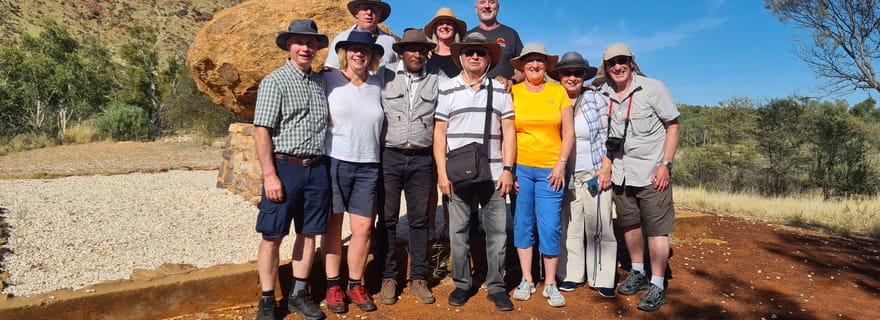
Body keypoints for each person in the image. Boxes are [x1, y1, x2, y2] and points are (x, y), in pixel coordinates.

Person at [592, 43, 680, 312]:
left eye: (622, 61)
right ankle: (638, 271)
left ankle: (657, 282)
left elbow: (673, 125)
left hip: (652, 173)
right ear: (605, 67)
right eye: (611, 63)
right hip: (621, 173)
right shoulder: (602, 93)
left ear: (631, 63)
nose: (617, 67)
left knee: (656, 229)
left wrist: (665, 164)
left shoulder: (654, 88)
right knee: (629, 225)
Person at [433, 32, 516, 311]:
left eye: (480, 52)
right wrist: (442, 174)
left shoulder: (501, 90)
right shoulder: (447, 89)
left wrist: (507, 169)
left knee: (498, 233)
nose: (475, 56)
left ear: (489, 57)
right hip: (457, 174)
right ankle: (461, 283)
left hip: (493, 173)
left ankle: (496, 286)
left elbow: (508, 131)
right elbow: (440, 132)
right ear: (460, 56)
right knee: (458, 232)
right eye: (469, 52)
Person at [252, 19, 329, 320]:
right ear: (288, 45)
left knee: (308, 233)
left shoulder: (321, 82)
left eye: (311, 43)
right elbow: (261, 130)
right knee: (272, 235)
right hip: (285, 167)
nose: (305, 48)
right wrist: (270, 174)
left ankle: (299, 293)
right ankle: (268, 299)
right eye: (300, 42)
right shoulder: (274, 82)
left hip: (317, 168)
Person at [375, 28, 444, 306]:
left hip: (422, 159)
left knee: (419, 221)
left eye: (422, 49)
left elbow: (466, 86)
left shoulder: (438, 79)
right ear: (400, 52)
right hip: (389, 157)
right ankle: (388, 276)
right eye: (411, 49)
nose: (417, 54)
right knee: (388, 219)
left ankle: (419, 277)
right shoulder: (383, 76)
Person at [320, 30, 385, 314]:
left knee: (362, 229)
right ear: (345, 53)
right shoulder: (328, 79)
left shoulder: (378, 85)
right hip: (335, 160)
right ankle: (333, 284)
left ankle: (354, 283)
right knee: (333, 226)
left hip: (369, 164)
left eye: (366, 50)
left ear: (372, 57)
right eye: (355, 49)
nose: (360, 54)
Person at [508, 43, 573, 308]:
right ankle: (526, 278)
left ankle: (549, 283)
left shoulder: (558, 92)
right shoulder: (513, 92)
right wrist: (508, 169)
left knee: (550, 226)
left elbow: (568, 132)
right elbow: (506, 132)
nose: (534, 65)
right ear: (522, 66)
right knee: (522, 223)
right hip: (521, 167)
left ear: (547, 66)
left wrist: (561, 164)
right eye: (529, 61)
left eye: (539, 61)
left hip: (551, 171)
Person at [548, 52, 616, 298]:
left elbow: (611, 135)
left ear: (584, 76)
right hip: (565, 173)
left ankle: (602, 275)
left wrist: (606, 167)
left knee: (600, 224)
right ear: (559, 75)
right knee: (570, 227)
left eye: (578, 73)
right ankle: (571, 274)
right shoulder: (553, 98)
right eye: (567, 73)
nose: (572, 77)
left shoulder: (596, 100)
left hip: (594, 170)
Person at [325, 0, 398, 70]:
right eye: (365, 8)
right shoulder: (342, 38)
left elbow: (395, 73)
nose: (369, 12)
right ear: (357, 13)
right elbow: (331, 69)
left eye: (373, 9)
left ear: (379, 14)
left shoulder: (390, 42)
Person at [468, 0, 524, 85]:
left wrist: (511, 81)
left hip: (505, 94)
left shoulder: (511, 34)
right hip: (474, 94)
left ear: (498, 7)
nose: (487, 6)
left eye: (491, 2)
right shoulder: (467, 37)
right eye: (482, 2)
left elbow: (525, 67)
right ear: (476, 8)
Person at [424, 7, 467, 77]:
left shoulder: (463, 56)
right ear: (435, 29)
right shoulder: (427, 57)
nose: (445, 26)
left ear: (455, 28)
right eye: (440, 23)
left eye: (449, 23)